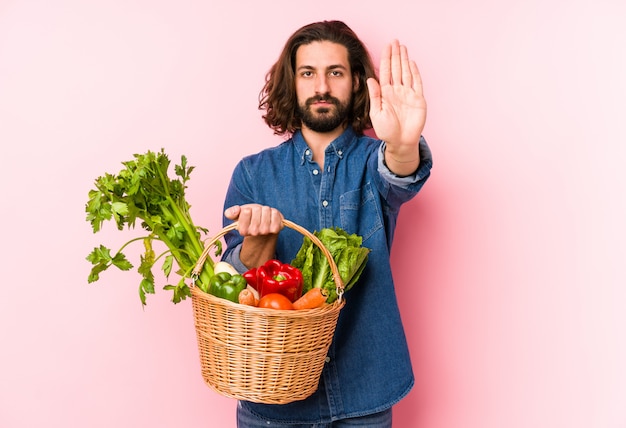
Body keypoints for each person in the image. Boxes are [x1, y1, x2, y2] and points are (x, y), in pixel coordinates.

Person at [221, 20, 433, 427]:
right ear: (292, 82)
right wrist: (257, 246)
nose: (321, 86)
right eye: (308, 73)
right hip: (272, 402)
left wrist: (404, 144)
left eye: (335, 73)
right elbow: (230, 287)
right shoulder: (252, 175)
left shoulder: (374, 161)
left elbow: (400, 175)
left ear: (356, 81)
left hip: (364, 394)